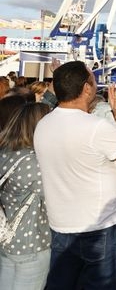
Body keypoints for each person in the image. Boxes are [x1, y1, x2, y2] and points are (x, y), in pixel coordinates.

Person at [33, 61, 116, 290]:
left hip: (61, 226)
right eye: (93, 81)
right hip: (100, 227)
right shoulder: (95, 127)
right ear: (86, 88)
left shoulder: (43, 124)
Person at [0, 102, 51, 290]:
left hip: (7, 240)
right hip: (32, 244)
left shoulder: (6, 154)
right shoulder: (33, 162)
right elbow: (56, 195)